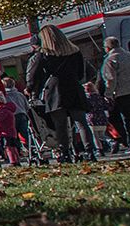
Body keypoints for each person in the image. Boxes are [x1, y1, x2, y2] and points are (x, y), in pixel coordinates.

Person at [26, 25, 93, 163]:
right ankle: (89, 151)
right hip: (74, 87)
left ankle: (65, 153)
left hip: (55, 91)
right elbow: (81, 73)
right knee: (81, 123)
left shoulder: (43, 55)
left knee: (60, 125)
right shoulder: (75, 51)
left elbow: (34, 75)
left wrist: (30, 89)